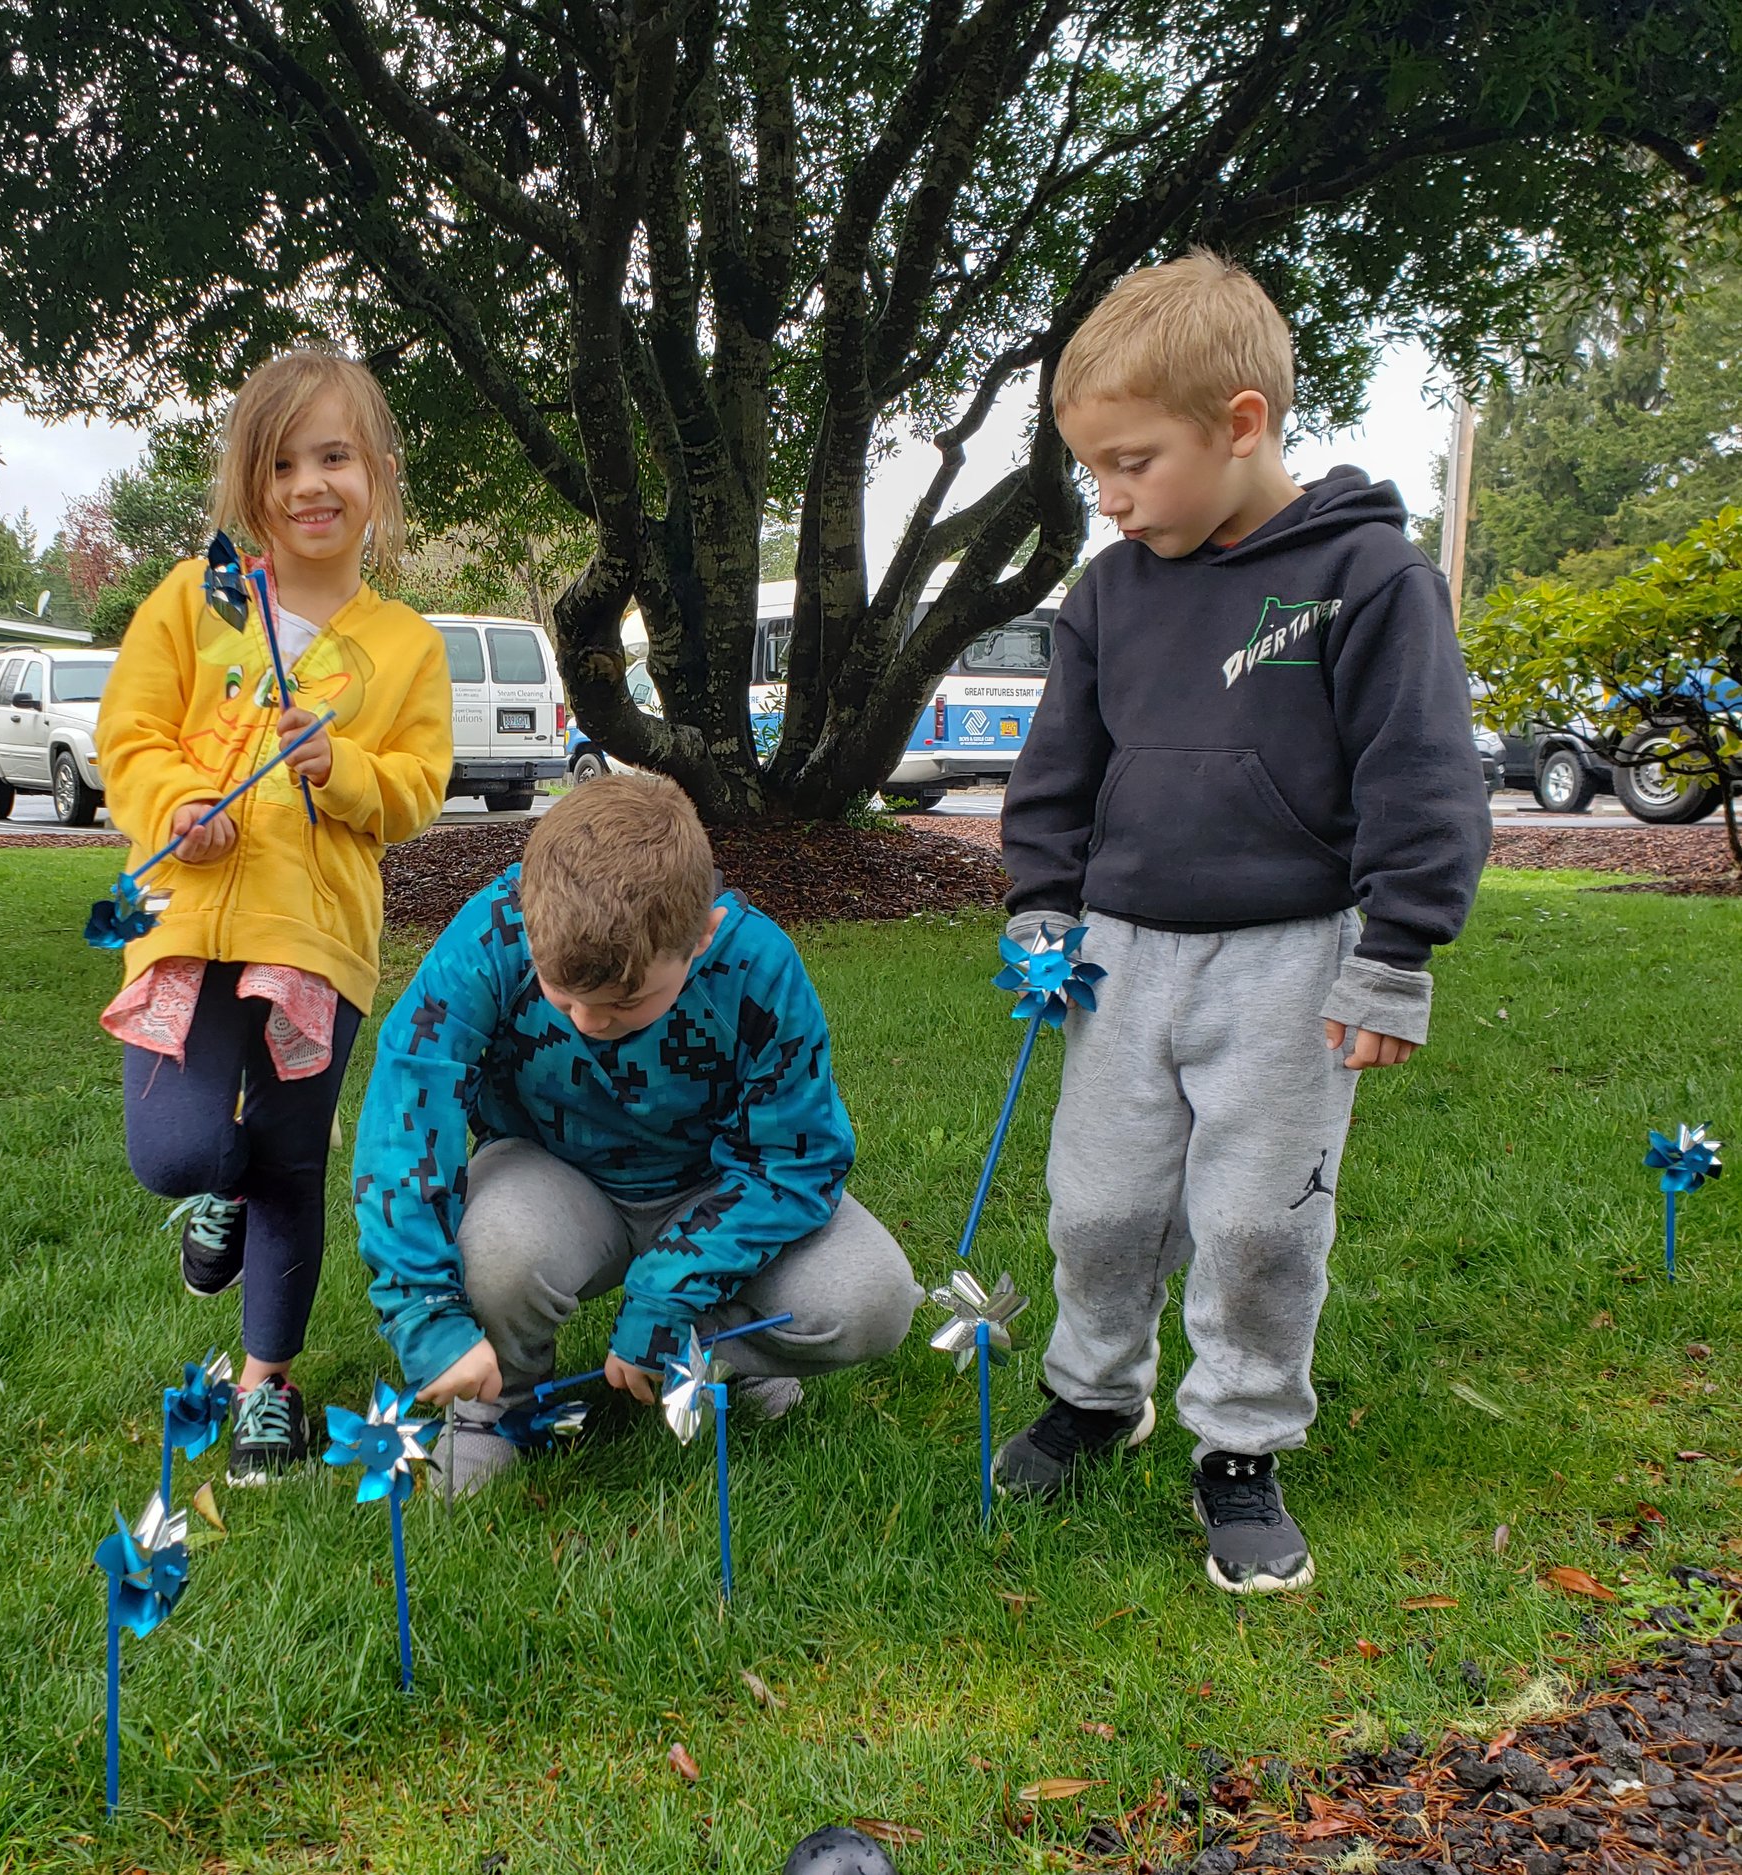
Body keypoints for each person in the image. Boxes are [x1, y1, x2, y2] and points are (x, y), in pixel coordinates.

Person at [996, 250, 1491, 1592]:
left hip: (1294, 960)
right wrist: (1044, 903)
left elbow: (1421, 771)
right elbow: (1058, 769)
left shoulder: (1370, 575)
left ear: (1241, 424)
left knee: (1261, 1219)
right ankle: (1097, 1390)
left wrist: (1395, 955)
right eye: (1093, 464)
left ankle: (1242, 1442)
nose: (1109, 494)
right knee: (1099, 1206)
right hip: (1119, 957)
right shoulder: (1106, 593)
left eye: (1132, 459)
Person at [351, 775, 921, 1498]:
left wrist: (668, 1292)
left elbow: (794, 1160)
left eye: (624, 1003)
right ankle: (498, 1401)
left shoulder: (758, 965)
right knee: (498, 1250)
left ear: (703, 936)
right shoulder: (495, 929)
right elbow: (409, 1105)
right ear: (530, 917)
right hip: (555, 1177)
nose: (589, 1021)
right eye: (565, 996)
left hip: (714, 1187)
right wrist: (424, 1308)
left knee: (872, 1296)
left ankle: (714, 1352)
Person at [96, 349, 454, 1486]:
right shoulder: (194, 603)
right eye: (284, 461)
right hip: (189, 923)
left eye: (336, 457)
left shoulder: (407, 647)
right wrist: (175, 803)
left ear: (379, 476)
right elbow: (129, 737)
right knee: (180, 1151)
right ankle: (214, 1196)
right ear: (251, 488)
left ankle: (268, 1383)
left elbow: (414, 792)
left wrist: (337, 764)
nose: (312, 483)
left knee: (293, 1161)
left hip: (317, 937)